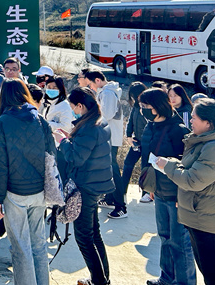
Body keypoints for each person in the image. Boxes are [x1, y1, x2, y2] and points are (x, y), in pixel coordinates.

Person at [155, 99, 215, 285]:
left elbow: (193, 180)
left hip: (211, 222)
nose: (190, 121)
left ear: (208, 123)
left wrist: (168, 166)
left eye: (194, 118)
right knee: (211, 273)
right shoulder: (205, 143)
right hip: (202, 217)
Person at [0, 79, 55, 285]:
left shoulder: (1, 123)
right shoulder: (39, 119)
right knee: (38, 245)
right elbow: (51, 156)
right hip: (39, 191)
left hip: (14, 192)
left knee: (20, 248)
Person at [53, 87, 115, 285]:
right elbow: (87, 149)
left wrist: (62, 141)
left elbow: (76, 157)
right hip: (97, 183)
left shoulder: (89, 126)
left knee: (84, 237)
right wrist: (70, 138)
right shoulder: (98, 120)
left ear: (80, 105)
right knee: (94, 233)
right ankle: (103, 277)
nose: (72, 111)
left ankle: (98, 281)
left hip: (86, 185)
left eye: (73, 107)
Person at [138, 88, 196, 285]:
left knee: (180, 243)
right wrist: (151, 188)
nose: (142, 110)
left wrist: (183, 195)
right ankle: (166, 278)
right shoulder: (150, 127)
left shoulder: (178, 129)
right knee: (164, 238)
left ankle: (184, 282)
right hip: (160, 192)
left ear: (158, 106)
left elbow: (187, 165)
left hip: (177, 194)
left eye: (146, 106)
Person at [85, 70, 126, 219]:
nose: (91, 87)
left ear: (97, 80)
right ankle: (110, 199)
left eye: (90, 84)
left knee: (113, 170)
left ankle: (121, 206)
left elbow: (106, 115)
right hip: (108, 135)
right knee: (109, 169)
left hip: (110, 136)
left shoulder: (108, 93)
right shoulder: (107, 91)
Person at [120, 82, 150, 203]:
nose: (136, 98)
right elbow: (131, 121)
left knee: (145, 168)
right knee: (127, 164)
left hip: (148, 143)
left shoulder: (149, 106)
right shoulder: (136, 106)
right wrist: (128, 136)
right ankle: (122, 189)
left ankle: (146, 193)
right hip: (136, 141)